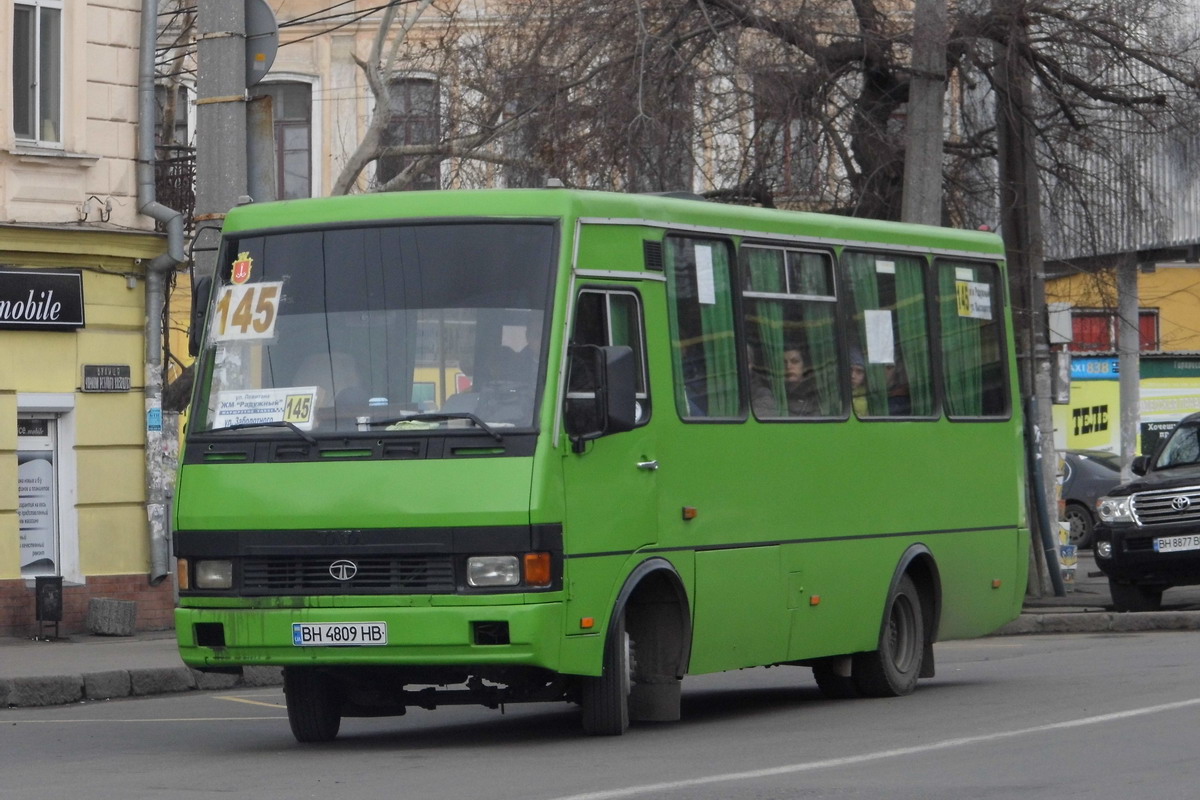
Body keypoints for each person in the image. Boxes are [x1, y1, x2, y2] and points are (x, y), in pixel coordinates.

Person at [752, 346, 819, 417]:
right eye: (783, 362)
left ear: (804, 367)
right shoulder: (767, 395)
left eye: (795, 361)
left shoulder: (814, 397)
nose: (788, 366)